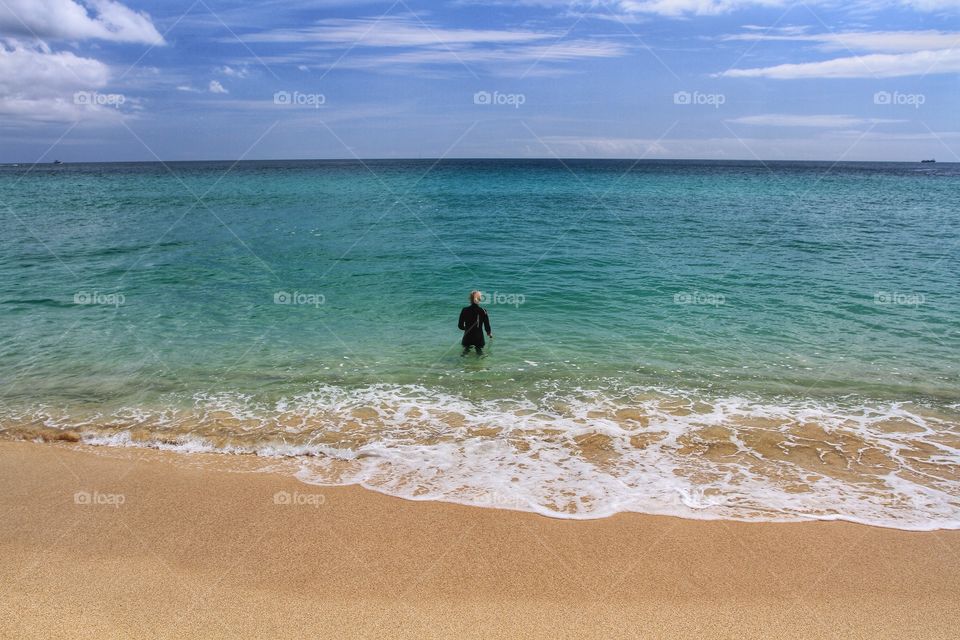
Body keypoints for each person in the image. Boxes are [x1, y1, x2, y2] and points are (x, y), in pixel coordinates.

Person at [458, 290, 492, 355]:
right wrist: (489, 333)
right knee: (480, 353)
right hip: (479, 338)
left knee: (465, 353)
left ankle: (462, 365)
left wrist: (467, 328)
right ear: (480, 299)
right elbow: (487, 325)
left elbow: (460, 326)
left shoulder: (464, 310)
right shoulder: (483, 311)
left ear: (470, 299)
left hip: (467, 337)